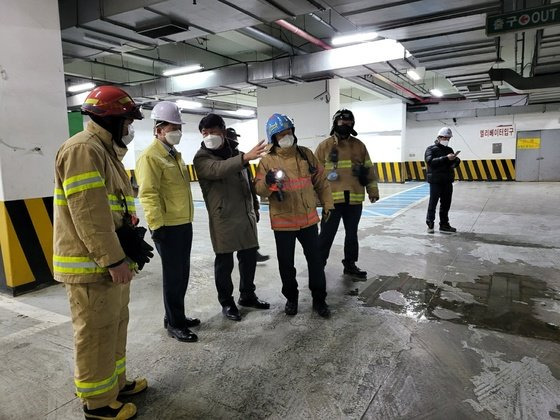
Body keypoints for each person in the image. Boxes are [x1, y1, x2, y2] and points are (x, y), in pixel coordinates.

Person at [54, 86, 150, 419]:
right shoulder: (83, 150)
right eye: (126, 120)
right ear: (109, 121)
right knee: (95, 333)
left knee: (114, 324)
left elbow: (111, 209)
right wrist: (113, 259)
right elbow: (90, 215)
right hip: (92, 266)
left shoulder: (106, 152)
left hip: (107, 263)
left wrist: (128, 232)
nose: (129, 127)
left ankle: (115, 384)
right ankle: (97, 404)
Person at [255, 113, 334, 318]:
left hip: (308, 219)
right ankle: (291, 298)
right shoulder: (267, 161)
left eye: (288, 132)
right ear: (274, 138)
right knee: (286, 264)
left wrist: (328, 204)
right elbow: (260, 190)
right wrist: (269, 182)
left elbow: (321, 182)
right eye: (281, 134)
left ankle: (319, 299)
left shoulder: (306, 154)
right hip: (283, 222)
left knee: (316, 262)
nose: (286, 136)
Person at [194, 114, 270, 321]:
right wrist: (244, 158)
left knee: (248, 259)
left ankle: (247, 295)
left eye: (213, 132)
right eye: (205, 133)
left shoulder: (237, 154)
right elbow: (218, 170)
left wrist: (254, 207)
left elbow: (247, 183)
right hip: (223, 217)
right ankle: (227, 302)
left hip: (245, 215)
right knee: (224, 263)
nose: (209, 136)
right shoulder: (202, 158)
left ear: (223, 131)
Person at [136, 101, 199, 342]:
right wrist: (157, 226)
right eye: (173, 127)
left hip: (184, 222)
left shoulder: (175, 156)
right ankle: (175, 324)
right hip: (168, 227)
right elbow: (148, 193)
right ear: (159, 129)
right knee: (173, 276)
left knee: (182, 273)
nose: (178, 132)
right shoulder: (150, 157)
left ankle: (175, 316)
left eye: (178, 127)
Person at [315, 109, 379, 279]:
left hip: (354, 198)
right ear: (335, 123)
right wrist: (315, 198)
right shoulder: (324, 146)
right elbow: (313, 175)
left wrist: (372, 190)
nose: (346, 126)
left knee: (352, 235)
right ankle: (318, 265)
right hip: (332, 200)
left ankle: (350, 265)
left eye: (349, 123)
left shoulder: (359, 145)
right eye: (342, 123)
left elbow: (369, 169)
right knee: (326, 235)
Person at [225, 127, 270, 263]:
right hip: (230, 208)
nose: (235, 140)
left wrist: (255, 207)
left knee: (249, 232)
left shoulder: (244, 157)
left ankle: (253, 252)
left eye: (236, 138)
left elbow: (250, 183)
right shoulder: (222, 161)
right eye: (232, 138)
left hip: (246, 205)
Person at [425, 127, 460, 233]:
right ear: (439, 137)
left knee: (446, 204)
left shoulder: (449, 150)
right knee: (433, 203)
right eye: (445, 137)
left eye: (448, 138)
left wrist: (456, 160)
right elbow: (430, 161)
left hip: (447, 181)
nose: (447, 140)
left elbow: (451, 164)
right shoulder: (430, 149)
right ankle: (430, 223)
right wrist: (446, 158)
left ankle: (444, 224)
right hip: (436, 181)